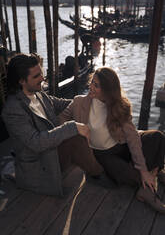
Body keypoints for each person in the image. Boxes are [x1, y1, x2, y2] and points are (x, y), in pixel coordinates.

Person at [59, 66, 165, 213]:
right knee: (123, 174)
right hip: (102, 155)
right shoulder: (79, 102)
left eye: (97, 85)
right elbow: (62, 118)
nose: (91, 87)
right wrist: (75, 127)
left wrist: (143, 170)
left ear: (108, 90)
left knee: (157, 137)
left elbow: (133, 138)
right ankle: (151, 179)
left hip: (121, 145)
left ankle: (152, 173)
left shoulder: (119, 106)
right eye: (92, 83)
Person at [1, 53, 109, 196]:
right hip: (39, 166)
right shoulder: (12, 110)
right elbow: (36, 142)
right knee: (76, 138)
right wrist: (72, 127)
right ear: (21, 81)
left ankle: (106, 165)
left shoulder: (38, 94)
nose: (42, 78)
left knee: (84, 126)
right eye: (36, 76)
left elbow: (66, 104)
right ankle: (102, 174)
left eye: (41, 73)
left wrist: (90, 101)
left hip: (53, 153)